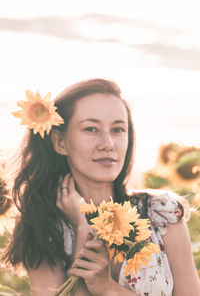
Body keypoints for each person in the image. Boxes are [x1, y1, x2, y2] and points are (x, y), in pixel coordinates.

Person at [3, 78, 200, 296]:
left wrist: (107, 288)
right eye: (91, 129)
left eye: (117, 129)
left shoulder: (162, 214)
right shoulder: (43, 228)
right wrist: (82, 230)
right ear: (60, 142)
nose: (108, 143)